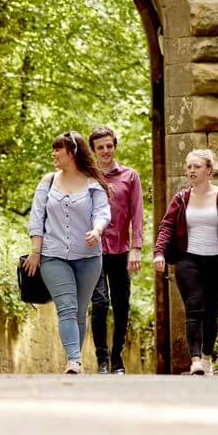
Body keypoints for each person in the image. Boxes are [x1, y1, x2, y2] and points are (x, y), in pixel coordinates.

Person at [22, 131, 112, 375]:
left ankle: (76, 357)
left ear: (72, 152)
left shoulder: (93, 182)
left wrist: (97, 230)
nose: (54, 154)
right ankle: (74, 360)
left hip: (88, 257)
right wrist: (35, 250)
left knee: (80, 311)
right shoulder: (48, 181)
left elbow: (103, 213)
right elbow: (37, 216)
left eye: (58, 150)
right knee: (67, 307)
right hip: (53, 255)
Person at [152, 149, 218, 376]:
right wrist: (159, 253)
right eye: (189, 167)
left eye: (197, 167)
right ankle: (194, 360)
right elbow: (167, 227)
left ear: (209, 170)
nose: (191, 171)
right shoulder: (181, 199)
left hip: (215, 261)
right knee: (194, 307)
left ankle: (206, 357)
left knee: (211, 312)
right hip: (188, 260)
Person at [88, 126, 144, 375]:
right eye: (100, 147)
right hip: (93, 250)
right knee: (99, 303)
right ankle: (101, 360)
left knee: (121, 305)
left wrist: (137, 248)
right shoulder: (87, 178)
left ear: (115, 146)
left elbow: (137, 214)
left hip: (121, 250)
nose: (105, 151)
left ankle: (116, 358)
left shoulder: (129, 177)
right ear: (93, 151)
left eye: (109, 145)